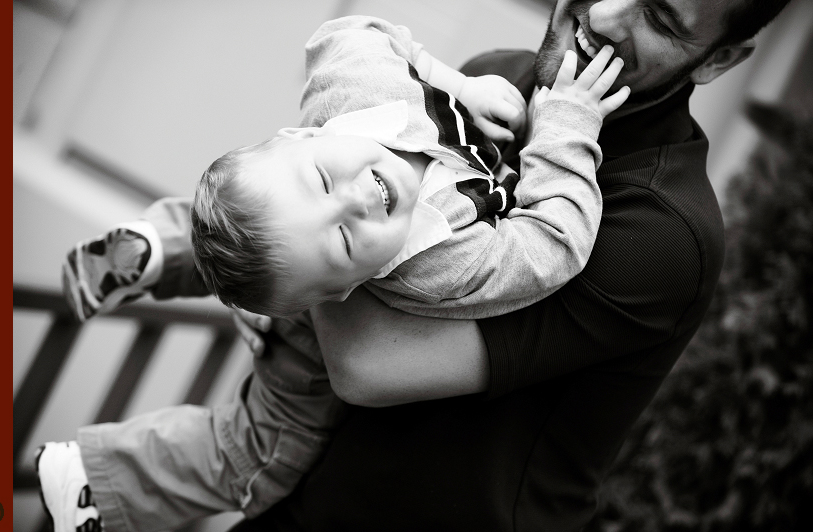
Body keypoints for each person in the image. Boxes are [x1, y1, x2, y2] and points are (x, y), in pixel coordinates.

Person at [51, 0, 795, 530]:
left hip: (423, 514)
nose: (602, 14)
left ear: (721, 58)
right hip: (313, 494)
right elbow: (365, 50)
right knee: (274, 229)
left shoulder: (665, 230)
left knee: (277, 227)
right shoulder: (498, 74)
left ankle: (175, 248)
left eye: (659, 16)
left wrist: (319, 162)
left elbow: (370, 365)